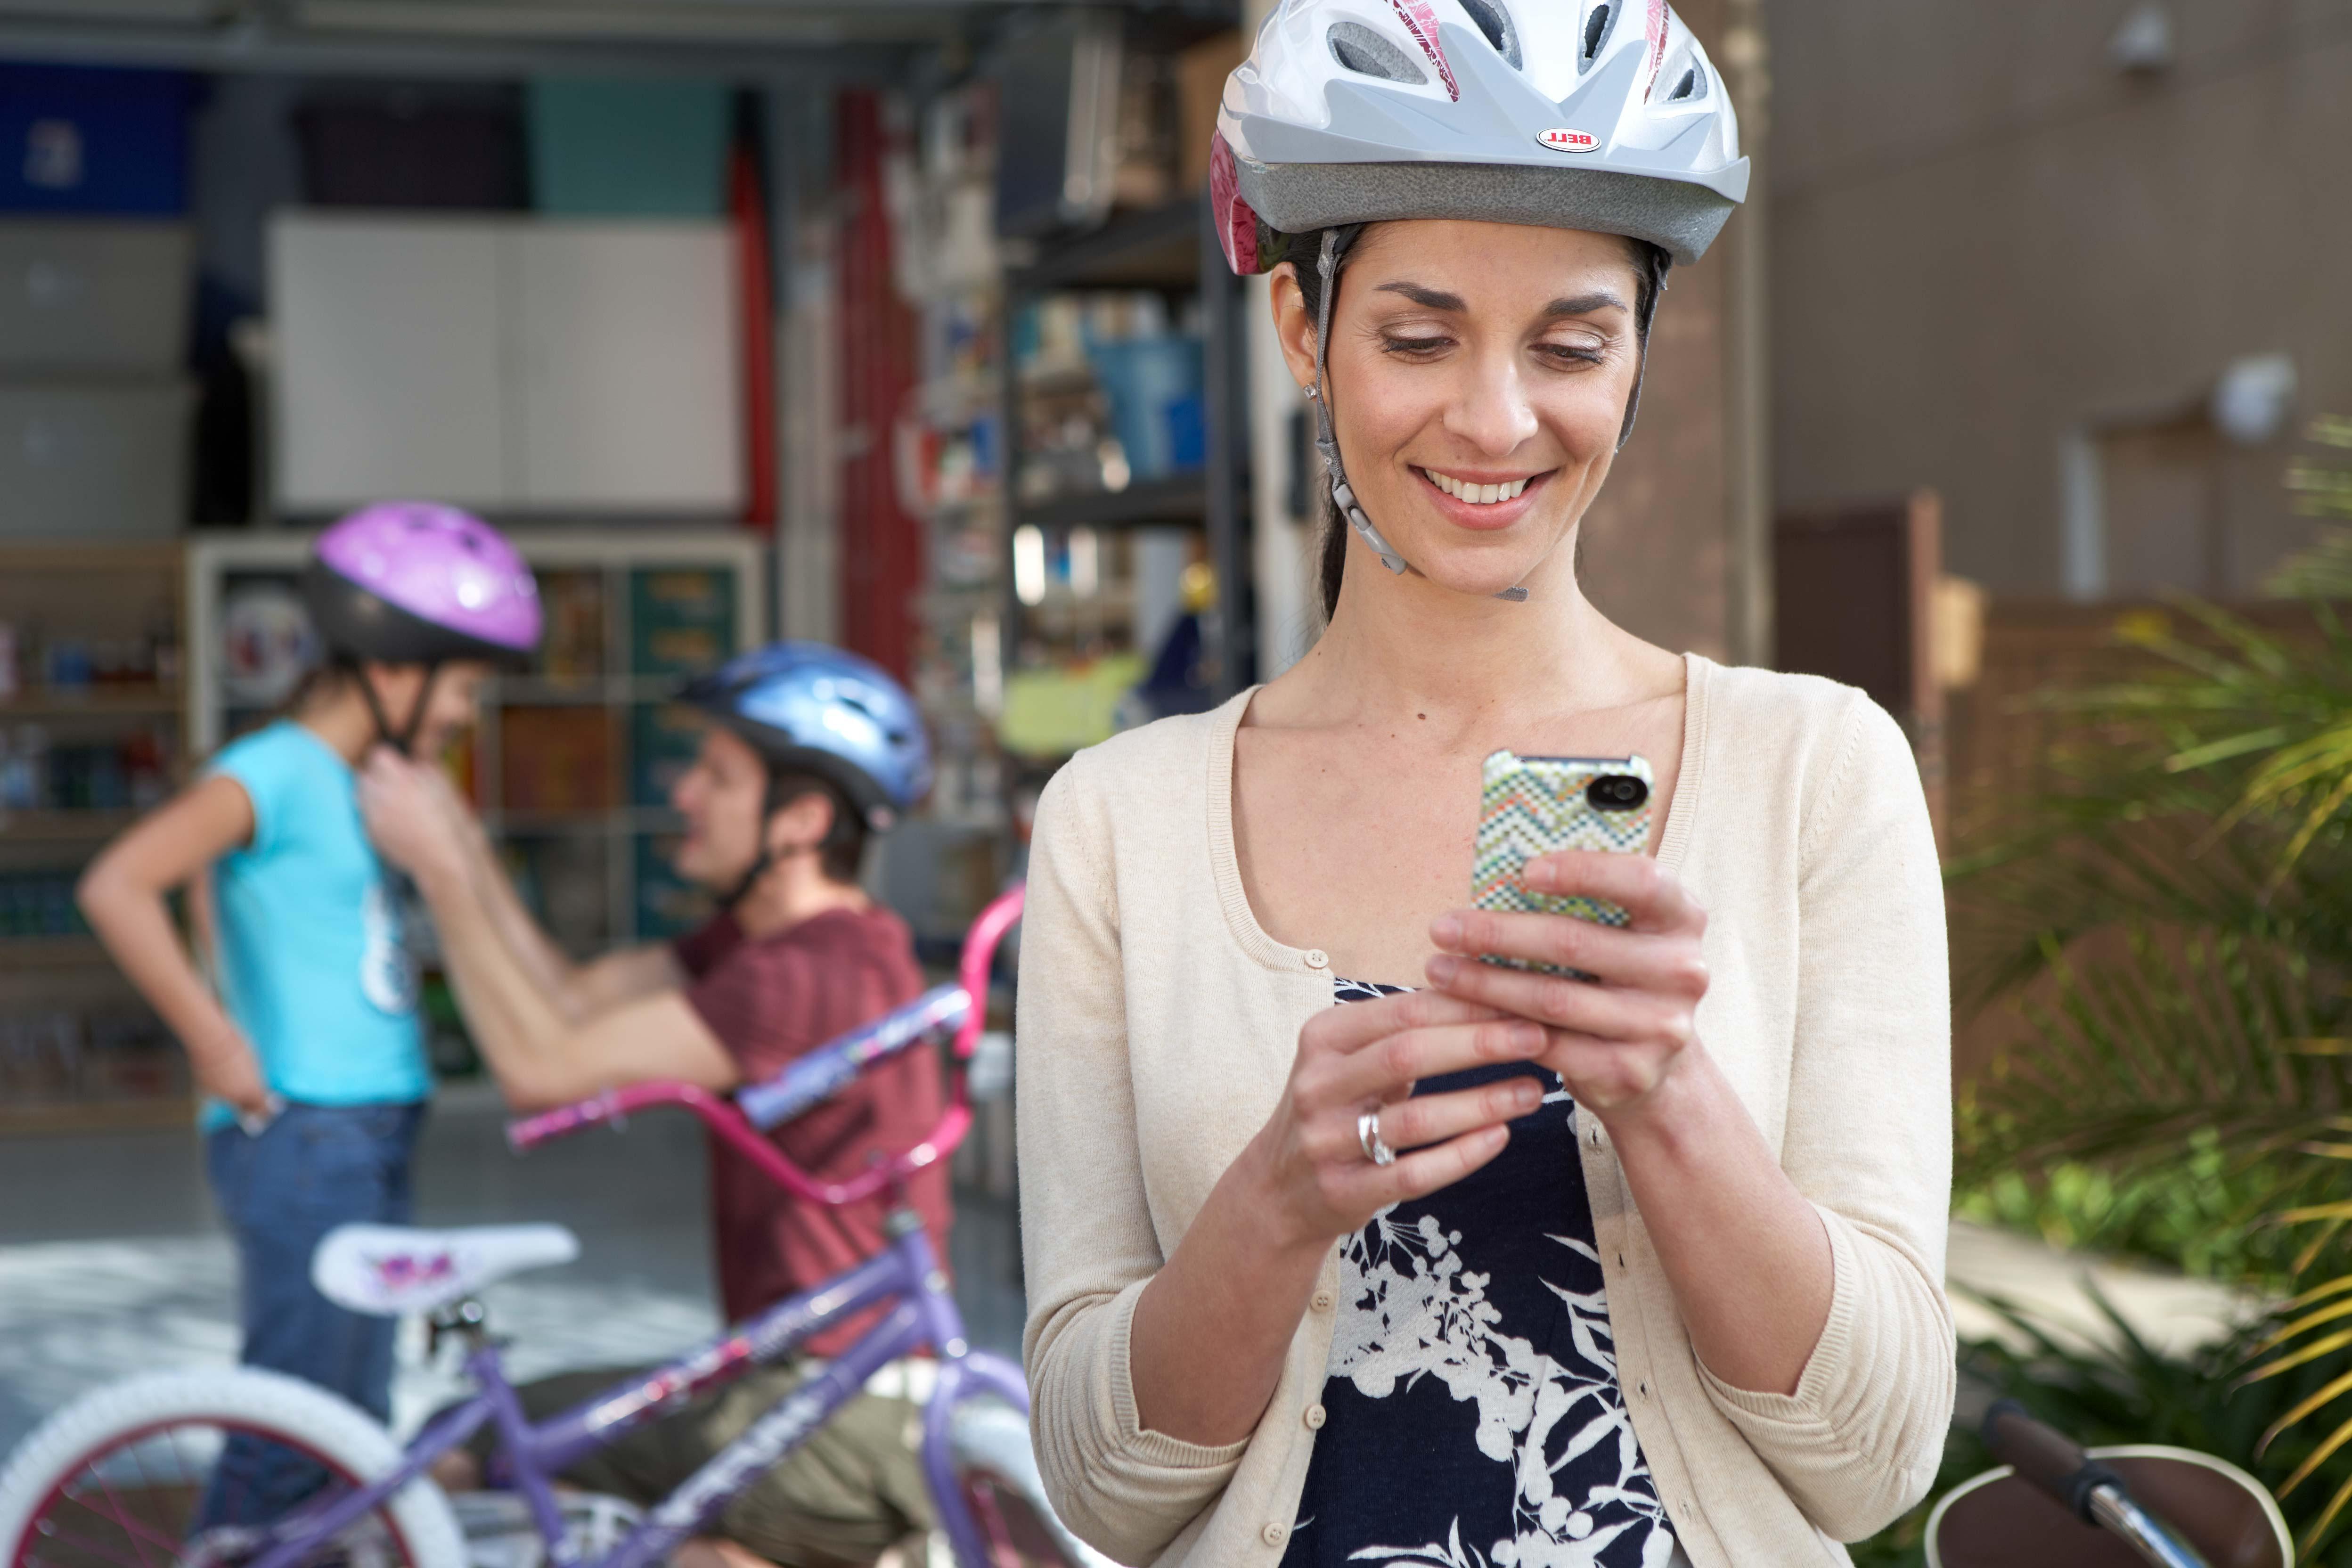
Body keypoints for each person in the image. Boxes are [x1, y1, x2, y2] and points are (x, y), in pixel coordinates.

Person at [1015, 6, 1954, 1568]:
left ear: (1639, 351)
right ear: (1305, 332)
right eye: (1418, 333)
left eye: (1572, 342)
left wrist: (1664, 1093)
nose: (1497, 419)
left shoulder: (1815, 771)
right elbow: (1105, 1487)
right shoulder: (1119, 823)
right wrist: (1273, 1197)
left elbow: (1877, 1455)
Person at [357, 641, 949, 1568]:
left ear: (799, 819)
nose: (683, 793)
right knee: (559, 1449)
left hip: (826, 1417)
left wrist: (436, 872)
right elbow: (569, 998)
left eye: (716, 775)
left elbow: (541, 1066)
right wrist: (464, 844)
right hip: (818, 1395)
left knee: (474, 1444)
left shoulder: (801, 979)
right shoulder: (805, 944)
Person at [78, 502, 544, 1523]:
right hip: (304, 1130)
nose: (466, 711)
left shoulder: (363, 778)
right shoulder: (274, 769)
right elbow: (120, 882)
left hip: (373, 1119)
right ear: (390, 668)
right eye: (461, 685)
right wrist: (215, 1039)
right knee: (294, 1416)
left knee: (353, 1420)